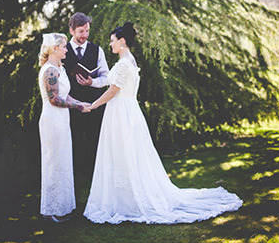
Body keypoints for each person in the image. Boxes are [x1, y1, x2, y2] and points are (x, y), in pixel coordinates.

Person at [83, 22, 243, 224]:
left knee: (125, 153)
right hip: (125, 110)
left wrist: (94, 105)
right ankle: (124, 197)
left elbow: (113, 90)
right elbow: (110, 83)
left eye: (113, 41)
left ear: (122, 41)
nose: (110, 44)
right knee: (124, 153)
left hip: (121, 112)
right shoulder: (128, 60)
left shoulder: (124, 64)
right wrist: (92, 82)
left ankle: (130, 201)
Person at [38, 33, 90, 222]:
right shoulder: (49, 71)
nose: (67, 50)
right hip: (52, 120)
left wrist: (81, 103)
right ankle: (50, 210)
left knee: (62, 161)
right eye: (64, 47)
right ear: (54, 49)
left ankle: (61, 208)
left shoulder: (60, 68)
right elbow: (54, 100)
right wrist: (77, 107)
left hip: (62, 120)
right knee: (53, 163)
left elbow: (65, 97)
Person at [62, 13, 109, 194]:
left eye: (87, 31)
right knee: (74, 146)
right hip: (71, 107)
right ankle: (73, 190)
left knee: (95, 145)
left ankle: (97, 190)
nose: (85, 35)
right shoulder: (63, 50)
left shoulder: (97, 50)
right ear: (72, 30)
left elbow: (106, 77)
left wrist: (93, 82)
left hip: (94, 106)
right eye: (81, 31)